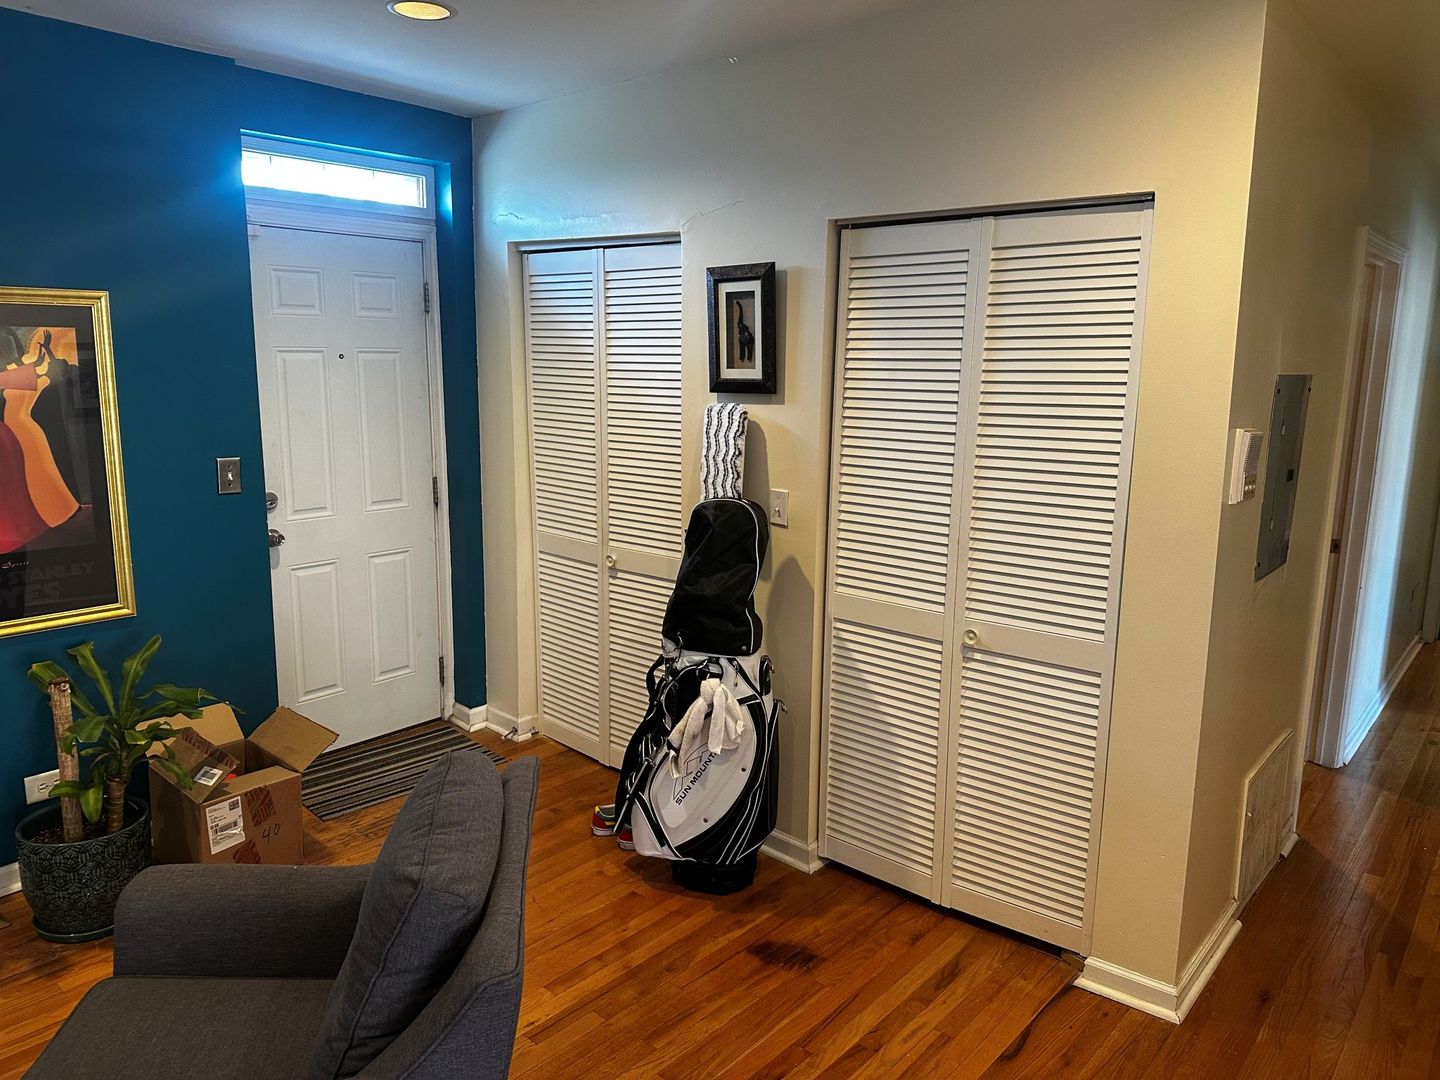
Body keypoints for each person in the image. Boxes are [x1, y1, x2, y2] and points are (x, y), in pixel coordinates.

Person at [735, 301, 755, 367]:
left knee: (749, 351)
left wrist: (739, 305)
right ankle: (743, 357)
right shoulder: (741, 329)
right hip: (744, 339)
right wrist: (739, 305)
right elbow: (740, 317)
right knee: (743, 347)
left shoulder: (742, 327)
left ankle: (747, 358)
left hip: (748, 339)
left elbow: (741, 316)